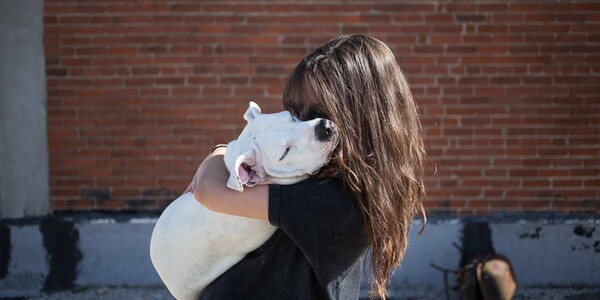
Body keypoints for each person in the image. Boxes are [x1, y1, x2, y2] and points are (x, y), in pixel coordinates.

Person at [186, 34, 426, 300]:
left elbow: (208, 191)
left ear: (361, 119)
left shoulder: (328, 199)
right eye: (295, 112)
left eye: (317, 116)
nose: (302, 126)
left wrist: (221, 152)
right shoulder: (347, 187)